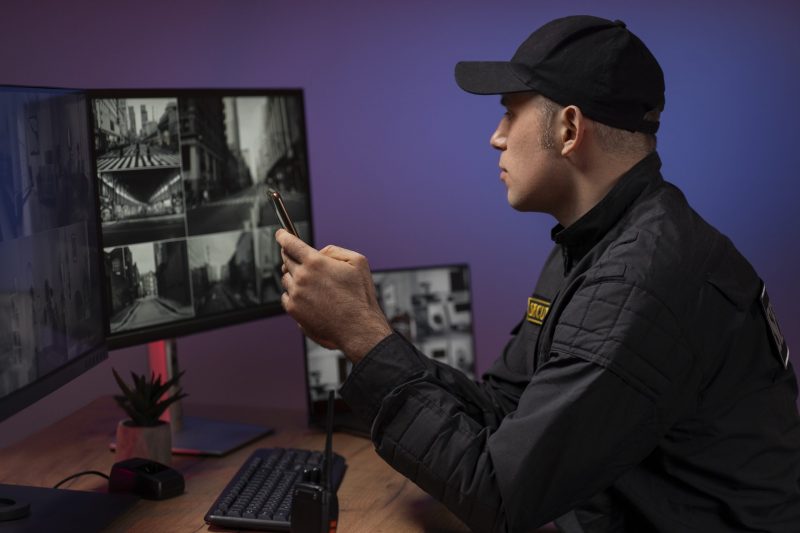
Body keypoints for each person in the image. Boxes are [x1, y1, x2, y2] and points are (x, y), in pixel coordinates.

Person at [276, 15, 800, 532]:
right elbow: (509, 410)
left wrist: (364, 338)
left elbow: (500, 495)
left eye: (509, 114)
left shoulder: (642, 280)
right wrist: (370, 329)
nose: (496, 138)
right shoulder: (598, 238)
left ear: (569, 129)